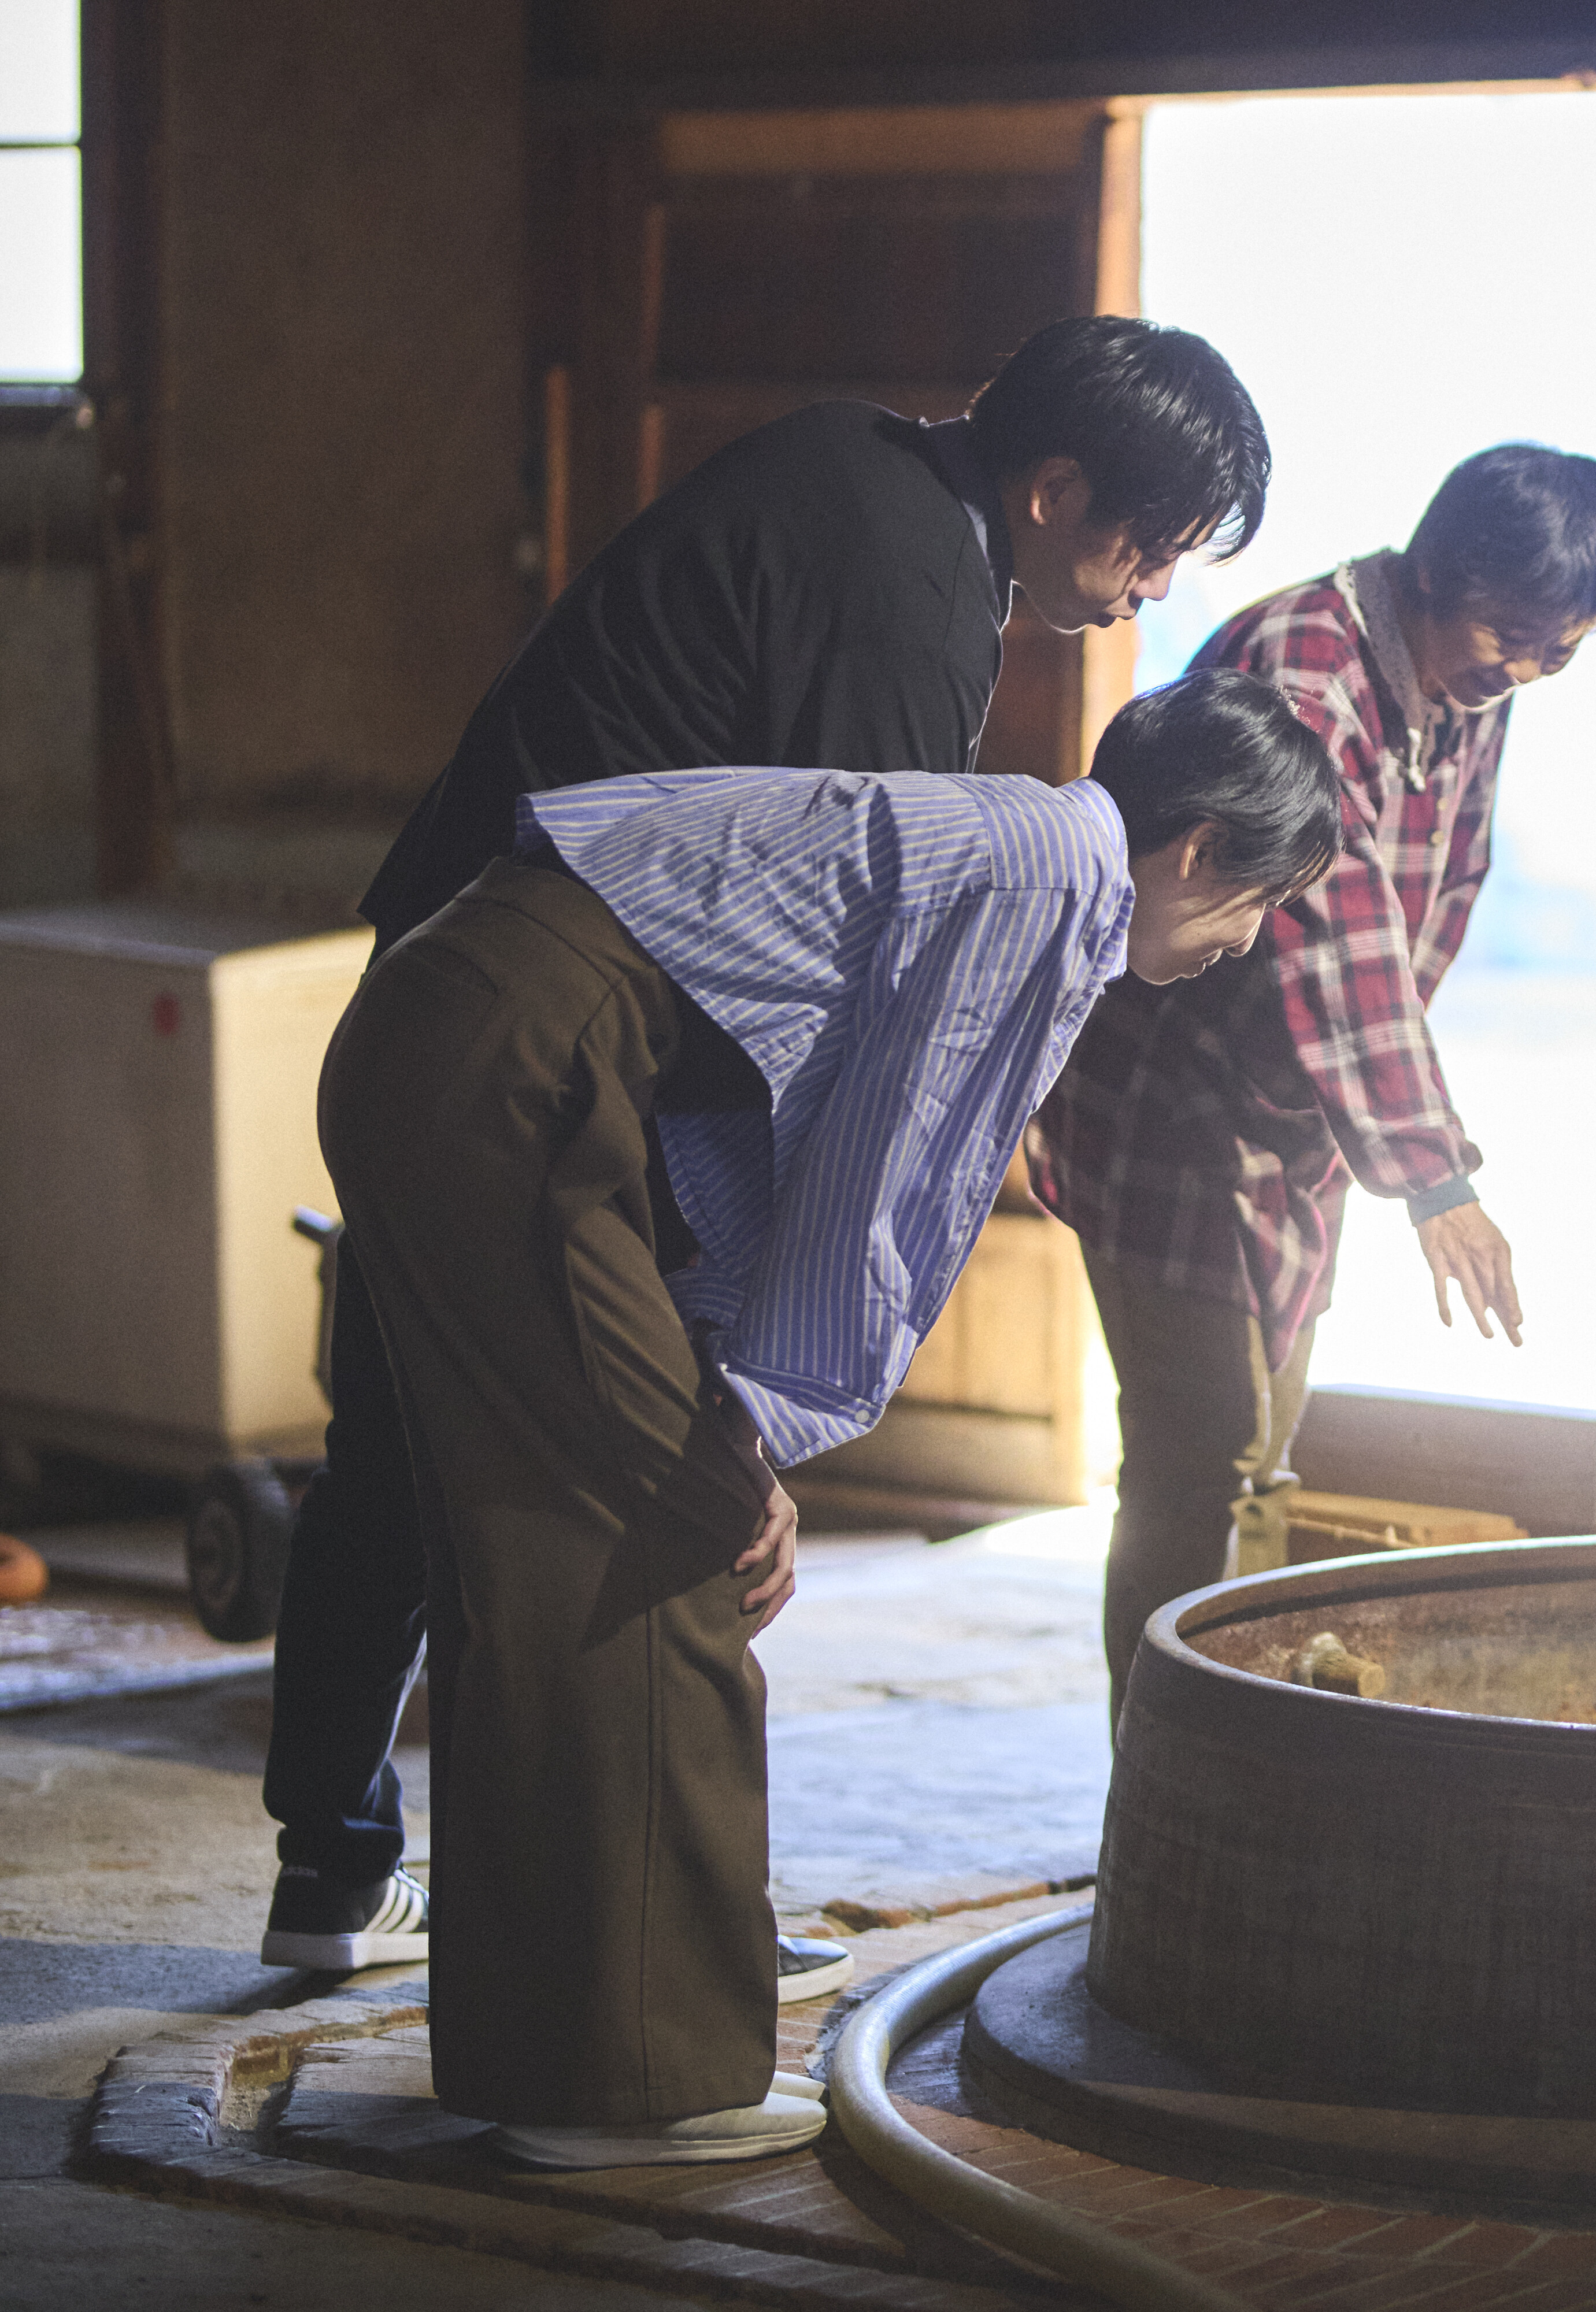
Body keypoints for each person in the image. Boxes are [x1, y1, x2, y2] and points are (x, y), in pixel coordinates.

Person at [261, 316, 1270, 1979]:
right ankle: (628, 1942)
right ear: (1057, 485)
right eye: (1148, 543)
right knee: (635, 1498)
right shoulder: (913, 599)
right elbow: (835, 1026)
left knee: (403, 1437)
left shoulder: (855, 466)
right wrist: (751, 1395)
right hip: (551, 1023)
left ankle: (342, 1870)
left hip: (456, 972)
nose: (1149, 586)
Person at [316, 675, 1339, 2169]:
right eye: (1264, 902)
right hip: (518, 1057)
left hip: (469, 1028)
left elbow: (774, 1143)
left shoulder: (1014, 840)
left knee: (544, 1564)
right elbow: (896, 1175)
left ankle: (543, 2062)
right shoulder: (1054, 880)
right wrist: (750, 1431)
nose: (1249, 943)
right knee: (656, 1548)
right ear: (1195, 852)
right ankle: (625, 2092)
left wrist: (731, 1399)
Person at [1038, 443, 1596, 1717]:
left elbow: (1442, 900)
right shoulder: (1310, 661)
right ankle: (1167, 1768)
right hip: (1174, 1107)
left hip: (1298, 1119)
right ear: (1439, 572)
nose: (1523, 669)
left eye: (1560, 651)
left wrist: (1374, 1127)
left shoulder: (1473, 687)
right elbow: (1335, 923)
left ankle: (1240, 1744)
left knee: (1260, 1459)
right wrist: (1432, 1173)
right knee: (1198, 1455)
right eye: (1511, 633)